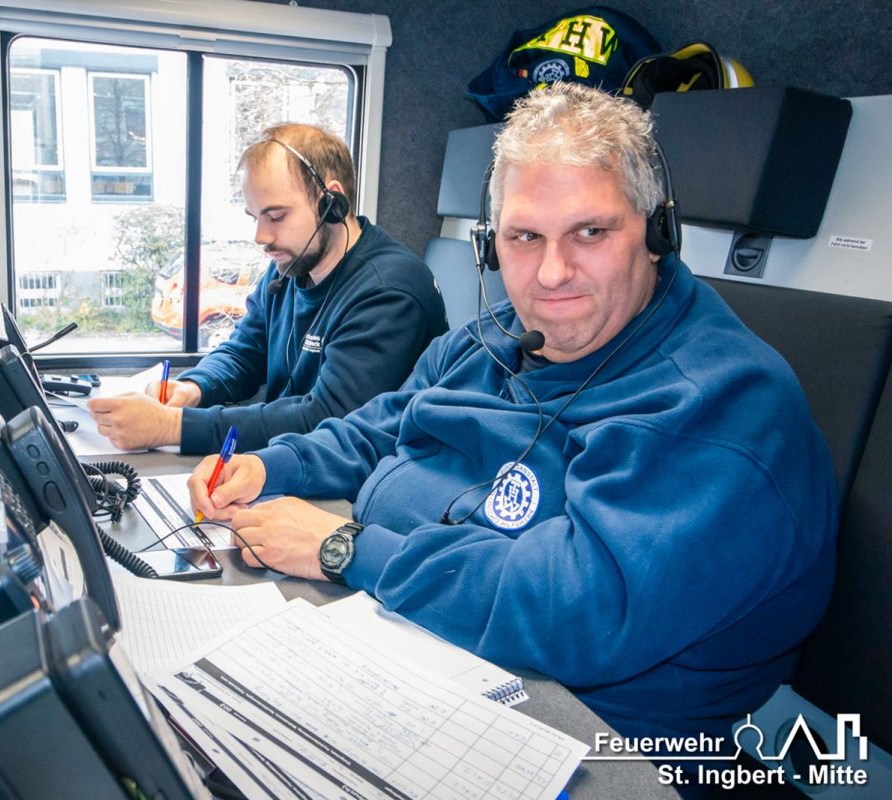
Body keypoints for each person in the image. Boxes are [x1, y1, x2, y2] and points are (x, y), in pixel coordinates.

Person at [188, 84, 837, 744]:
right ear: (489, 245)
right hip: (412, 636)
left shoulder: (721, 404)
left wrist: (343, 549)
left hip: (593, 736)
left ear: (656, 233)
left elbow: (571, 610)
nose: (551, 274)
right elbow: (377, 427)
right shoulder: (492, 337)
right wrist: (266, 466)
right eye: (524, 236)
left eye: (590, 231)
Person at [88, 123, 448, 455]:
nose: (261, 237)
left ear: (332, 203)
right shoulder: (291, 265)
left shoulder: (390, 292)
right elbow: (245, 352)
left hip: (350, 478)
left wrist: (172, 427)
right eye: (255, 217)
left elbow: (328, 419)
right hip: (287, 460)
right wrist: (193, 388)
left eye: (276, 217)